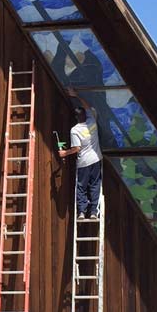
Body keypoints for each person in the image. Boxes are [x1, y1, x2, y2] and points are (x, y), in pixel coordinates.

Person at [58, 87, 102, 220]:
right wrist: (76, 95)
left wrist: (64, 153)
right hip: (96, 159)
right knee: (94, 185)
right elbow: (87, 107)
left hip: (84, 163)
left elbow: (77, 148)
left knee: (82, 187)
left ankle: (82, 212)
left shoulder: (75, 130)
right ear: (85, 115)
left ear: (76, 117)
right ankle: (93, 211)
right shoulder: (92, 121)